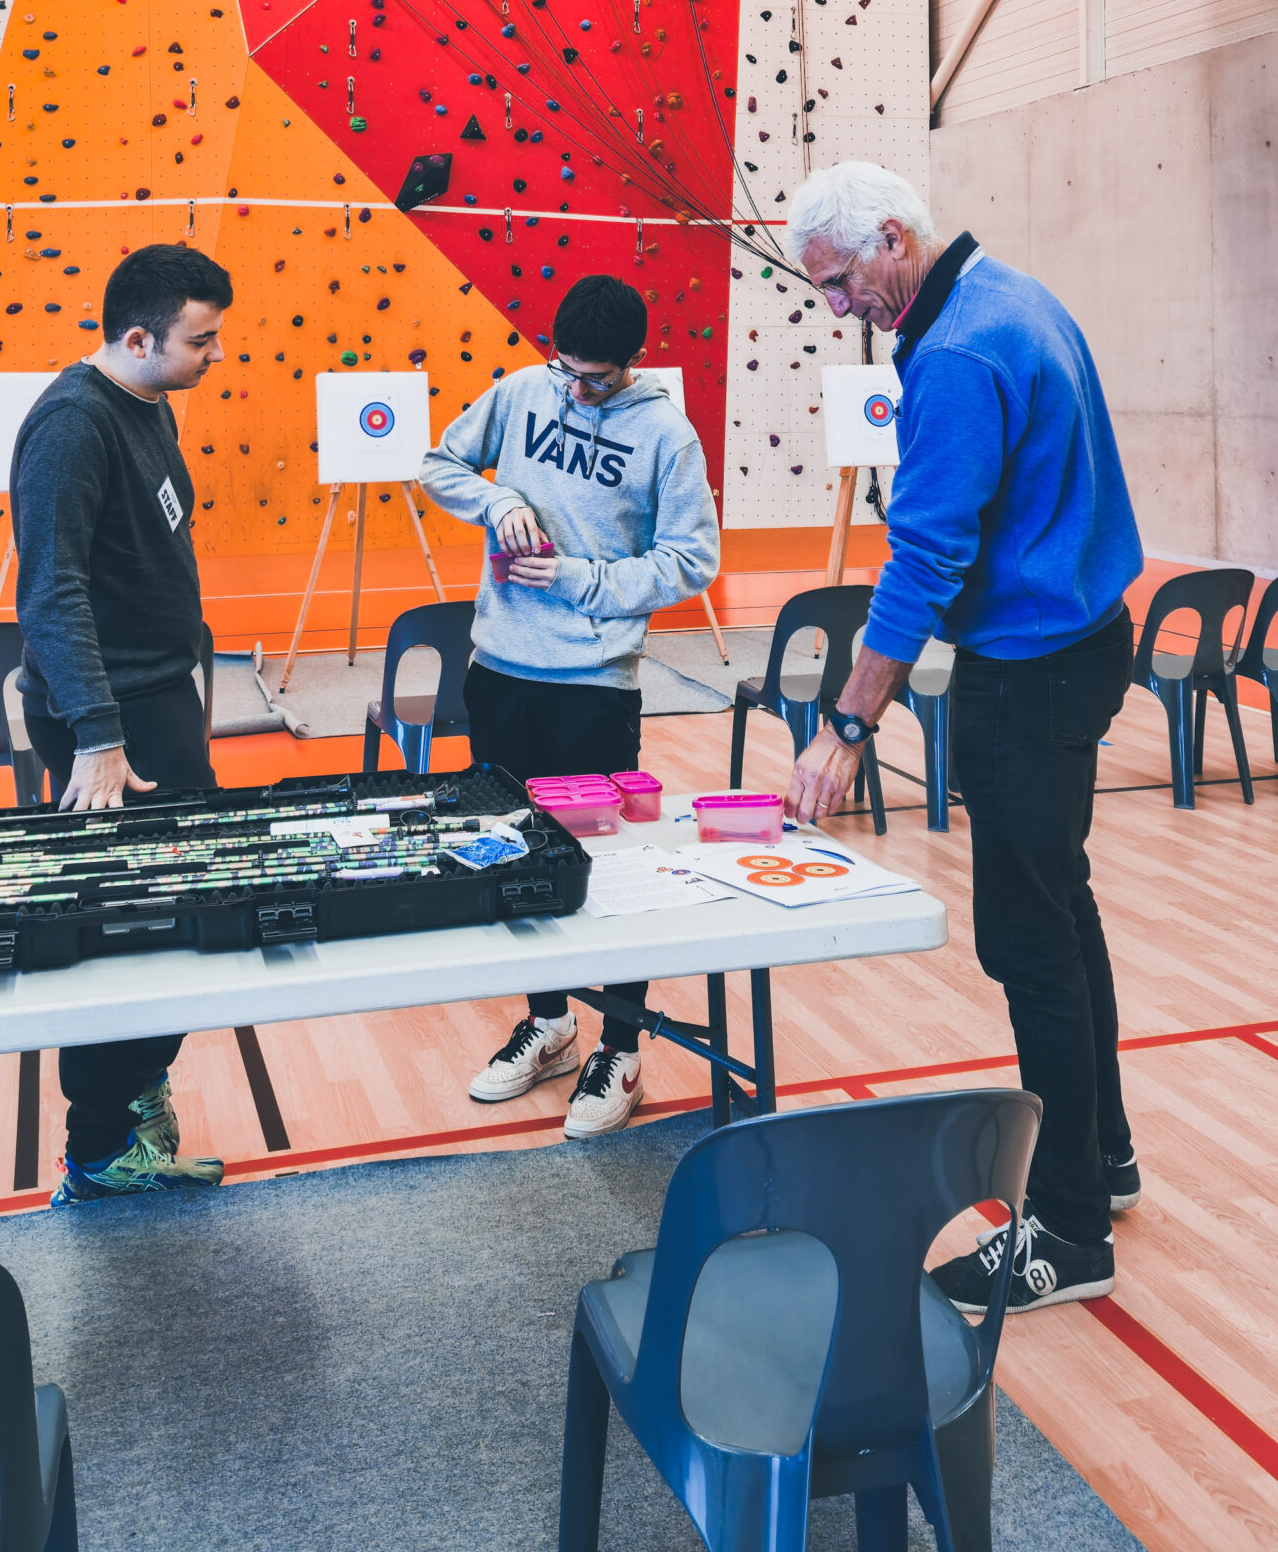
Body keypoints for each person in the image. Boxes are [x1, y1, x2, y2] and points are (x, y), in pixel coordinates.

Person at [783, 162, 1142, 1312]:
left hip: (1029, 674)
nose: (840, 309)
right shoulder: (1011, 295)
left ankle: (1070, 1233)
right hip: (1079, 640)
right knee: (1061, 909)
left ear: (893, 236)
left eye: (842, 283)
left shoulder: (955, 353)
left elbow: (925, 560)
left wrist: (846, 723)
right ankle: (1107, 1157)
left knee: (1026, 945)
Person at [420, 273, 720, 1137]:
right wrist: (499, 498)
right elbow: (441, 464)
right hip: (500, 670)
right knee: (512, 858)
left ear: (631, 363)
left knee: (612, 877)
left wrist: (588, 581)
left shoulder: (665, 433)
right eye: (566, 371)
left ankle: (619, 1049)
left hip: (594, 688)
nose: (576, 389)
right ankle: (551, 1022)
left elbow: (691, 561)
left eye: (595, 378)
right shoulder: (522, 390)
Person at [11, 241, 234, 1206]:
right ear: (138, 337)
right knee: (138, 928)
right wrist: (99, 734)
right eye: (201, 339)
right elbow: (49, 592)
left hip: (152, 699)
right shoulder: (72, 423)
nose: (214, 355)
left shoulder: (147, 402)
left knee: (174, 918)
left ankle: (132, 1103)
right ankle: (99, 1150)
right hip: (112, 718)